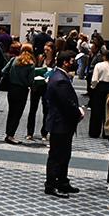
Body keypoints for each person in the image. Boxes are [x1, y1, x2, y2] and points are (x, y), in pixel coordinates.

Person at [44, 51, 84, 197]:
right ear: (65, 62)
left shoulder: (58, 76)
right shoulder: (60, 79)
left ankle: (62, 182)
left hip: (61, 122)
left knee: (64, 154)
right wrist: (78, 113)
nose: (75, 63)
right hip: (60, 123)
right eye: (72, 60)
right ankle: (51, 185)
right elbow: (66, 104)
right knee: (57, 155)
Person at [4, 44, 35, 144]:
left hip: (12, 89)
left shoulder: (14, 60)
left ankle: (8, 133)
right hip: (22, 91)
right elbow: (30, 81)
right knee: (17, 114)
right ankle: (11, 135)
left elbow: (4, 70)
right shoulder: (30, 64)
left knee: (11, 112)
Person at [27, 42, 54, 142]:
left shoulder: (54, 60)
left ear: (52, 50)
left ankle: (44, 132)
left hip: (47, 87)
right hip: (37, 86)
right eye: (45, 50)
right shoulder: (40, 57)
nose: (45, 52)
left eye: (48, 50)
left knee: (46, 110)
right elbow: (35, 70)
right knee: (32, 109)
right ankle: (30, 133)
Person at [89, 50, 109, 138]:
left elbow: (94, 79)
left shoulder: (99, 65)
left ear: (104, 56)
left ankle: (94, 132)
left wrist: (93, 87)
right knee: (108, 110)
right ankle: (106, 132)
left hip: (99, 87)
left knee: (96, 110)